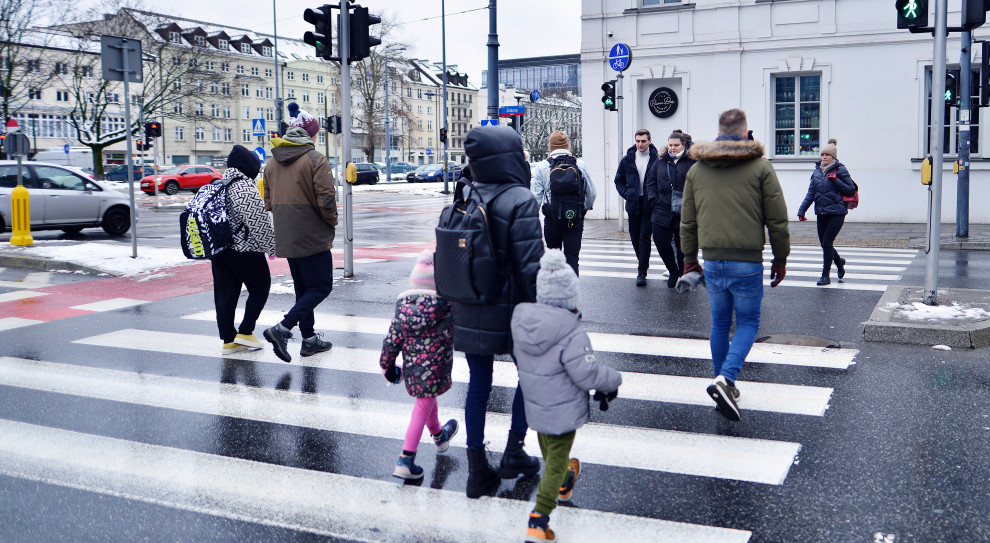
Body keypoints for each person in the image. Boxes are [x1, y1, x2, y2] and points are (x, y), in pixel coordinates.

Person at [446, 124, 545, 499]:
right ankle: (514, 450)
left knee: (479, 384)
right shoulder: (520, 199)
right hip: (514, 308)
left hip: (469, 303)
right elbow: (532, 267)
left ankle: (477, 469)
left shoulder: (465, 193)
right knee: (531, 376)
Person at [680, 108, 790, 422]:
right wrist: (780, 258)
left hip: (713, 259)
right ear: (745, 133)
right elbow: (777, 220)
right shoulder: (761, 167)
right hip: (747, 260)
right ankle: (726, 379)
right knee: (748, 323)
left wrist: (689, 260)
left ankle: (722, 383)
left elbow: (688, 222)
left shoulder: (697, 170)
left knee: (719, 324)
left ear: (718, 134)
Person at [511, 249, 622, 543]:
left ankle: (564, 482)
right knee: (556, 461)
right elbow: (587, 374)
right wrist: (613, 379)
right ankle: (539, 517)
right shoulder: (571, 333)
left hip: (535, 406)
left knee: (551, 454)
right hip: (562, 411)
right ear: (569, 297)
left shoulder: (523, 323)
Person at [261, 108, 337, 363]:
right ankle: (282, 329)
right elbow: (326, 200)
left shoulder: (272, 162)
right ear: (311, 134)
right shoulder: (316, 159)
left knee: (304, 289)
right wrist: (331, 222)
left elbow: (268, 200)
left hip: (286, 234)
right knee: (321, 286)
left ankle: (309, 339)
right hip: (312, 234)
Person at [379, 250, 459, 480]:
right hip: (437, 367)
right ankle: (405, 459)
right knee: (423, 406)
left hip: (413, 368)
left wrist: (386, 365)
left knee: (427, 399)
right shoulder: (446, 308)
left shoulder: (403, 309)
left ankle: (440, 437)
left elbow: (391, 340)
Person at [211, 145, 276, 355]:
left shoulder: (218, 184)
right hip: (244, 251)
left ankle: (229, 341)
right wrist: (272, 247)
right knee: (261, 287)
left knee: (225, 296)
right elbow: (259, 223)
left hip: (219, 251)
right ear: (249, 168)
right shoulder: (244, 188)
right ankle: (246, 332)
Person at [531, 130, 596, 275]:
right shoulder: (580, 164)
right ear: (567, 145)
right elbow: (592, 193)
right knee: (572, 258)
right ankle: (572, 288)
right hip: (575, 217)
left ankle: (554, 287)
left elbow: (535, 198)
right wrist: (583, 209)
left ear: (551, 146)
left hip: (552, 219)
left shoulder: (542, 166)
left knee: (553, 260)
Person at [797, 138, 857, 286]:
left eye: (827, 155)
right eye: (822, 154)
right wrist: (802, 210)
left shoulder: (840, 170)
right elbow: (811, 193)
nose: (824, 157)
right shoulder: (817, 172)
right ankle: (839, 262)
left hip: (837, 212)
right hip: (822, 212)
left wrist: (836, 180)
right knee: (825, 244)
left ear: (833, 157)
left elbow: (850, 190)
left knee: (827, 242)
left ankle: (825, 275)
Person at [645, 129, 693, 288]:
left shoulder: (692, 161)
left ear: (683, 144)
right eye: (670, 145)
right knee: (660, 242)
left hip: (685, 211)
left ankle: (683, 274)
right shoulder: (660, 161)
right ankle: (673, 270)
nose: (672, 148)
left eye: (676, 145)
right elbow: (650, 180)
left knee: (682, 246)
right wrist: (654, 199)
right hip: (662, 209)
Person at [614, 129, 659, 286]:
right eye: (638, 141)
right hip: (633, 203)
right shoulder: (627, 159)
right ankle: (643, 263)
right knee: (634, 238)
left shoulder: (657, 159)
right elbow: (618, 181)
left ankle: (641, 272)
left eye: (643, 141)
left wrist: (656, 197)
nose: (640, 144)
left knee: (644, 238)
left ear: (649, 141)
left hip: (649, 203)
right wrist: (627, 193)